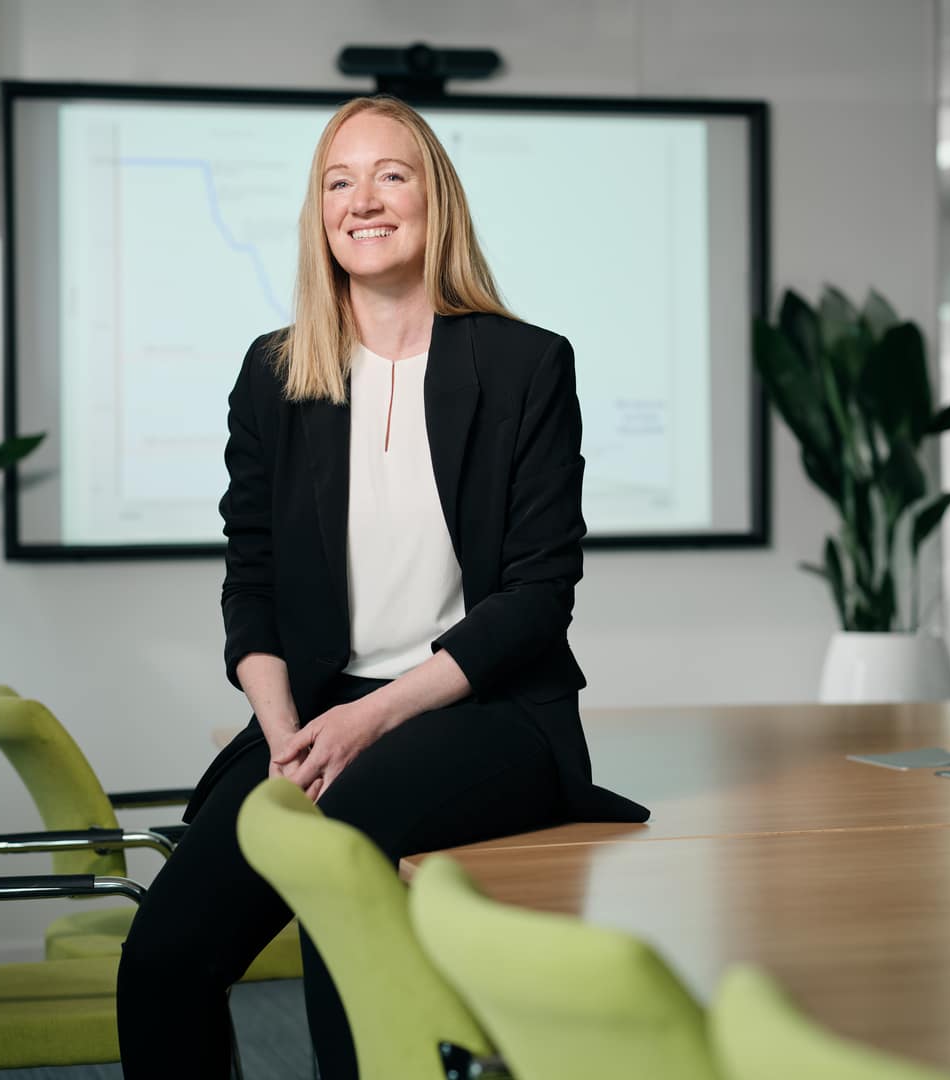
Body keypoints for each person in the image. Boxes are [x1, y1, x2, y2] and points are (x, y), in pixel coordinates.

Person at [116, 94, 648, 1080]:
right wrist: (282, 731)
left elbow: (538, 598)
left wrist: (375, 721)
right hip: (313, 714)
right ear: (321, 215)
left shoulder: (527, 363)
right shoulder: (274, 372)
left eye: (391, 174)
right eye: (339, 180)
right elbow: (254, 577)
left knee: (348, 849)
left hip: (483, 707)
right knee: (162, 959)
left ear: (433, 200)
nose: (365, 200)